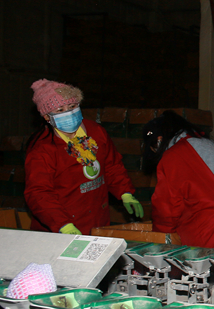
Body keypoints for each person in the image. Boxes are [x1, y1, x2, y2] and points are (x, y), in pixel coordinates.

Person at [24, 79, 144, 235]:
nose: (69, 113)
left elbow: (112, 165)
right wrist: (63, 225)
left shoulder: (95, 132)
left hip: (97, 220)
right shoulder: (43, 149)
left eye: (72, 106)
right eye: (60, 110)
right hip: (63, 225)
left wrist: (125, 192)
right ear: (47, 117)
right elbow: (39, 193)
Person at [142, 110, 214, 251]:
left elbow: (166, 209)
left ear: (159, 140)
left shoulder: (174, 156)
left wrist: (159, 241)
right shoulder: (211, 145)